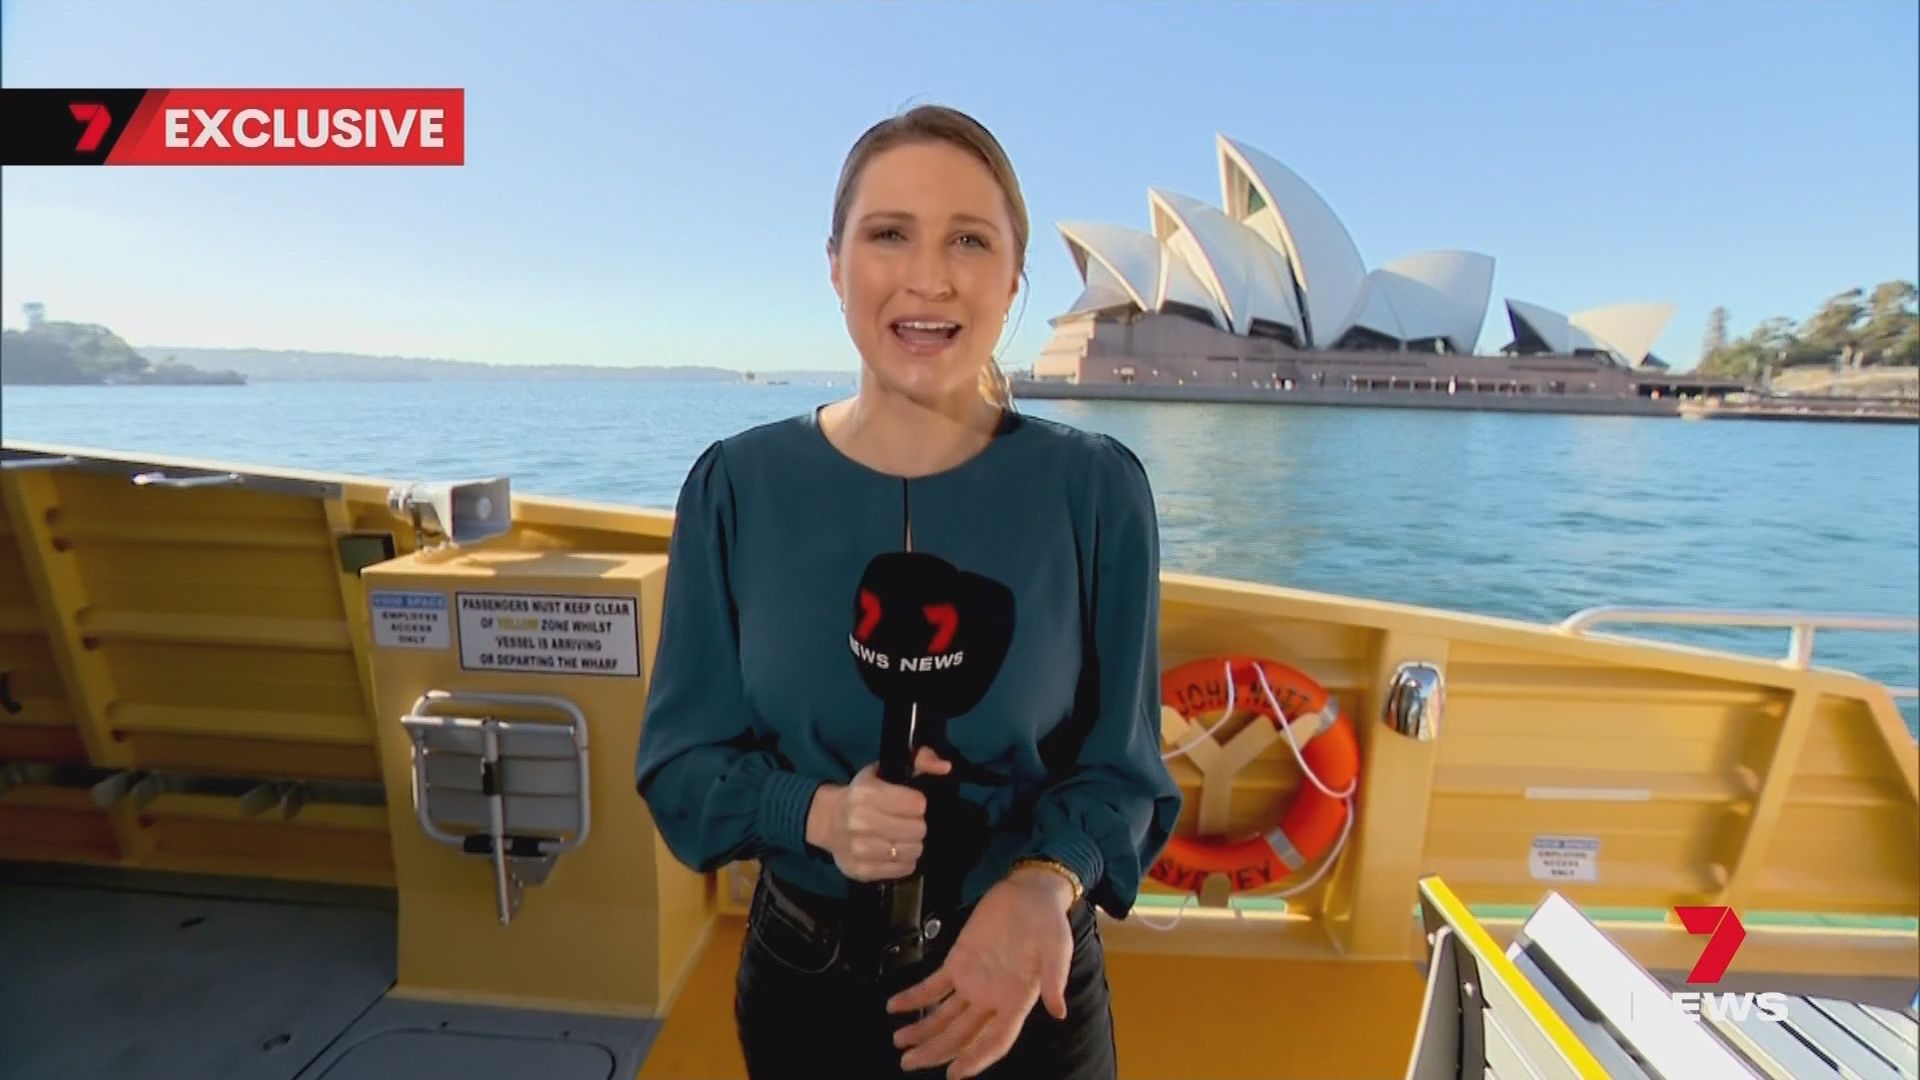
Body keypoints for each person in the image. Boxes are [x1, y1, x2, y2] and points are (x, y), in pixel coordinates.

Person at [634, 104, 1182, 1080]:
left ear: (1013, 280)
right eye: (890, 234)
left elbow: (1125, 771)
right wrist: (815, 814)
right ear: (836, 264)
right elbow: (680, 768)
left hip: (1028, 985)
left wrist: (1044, 881)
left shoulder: (1097, 491)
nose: (929, 277)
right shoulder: (736, 488)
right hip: (806, 983)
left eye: (968, 240)